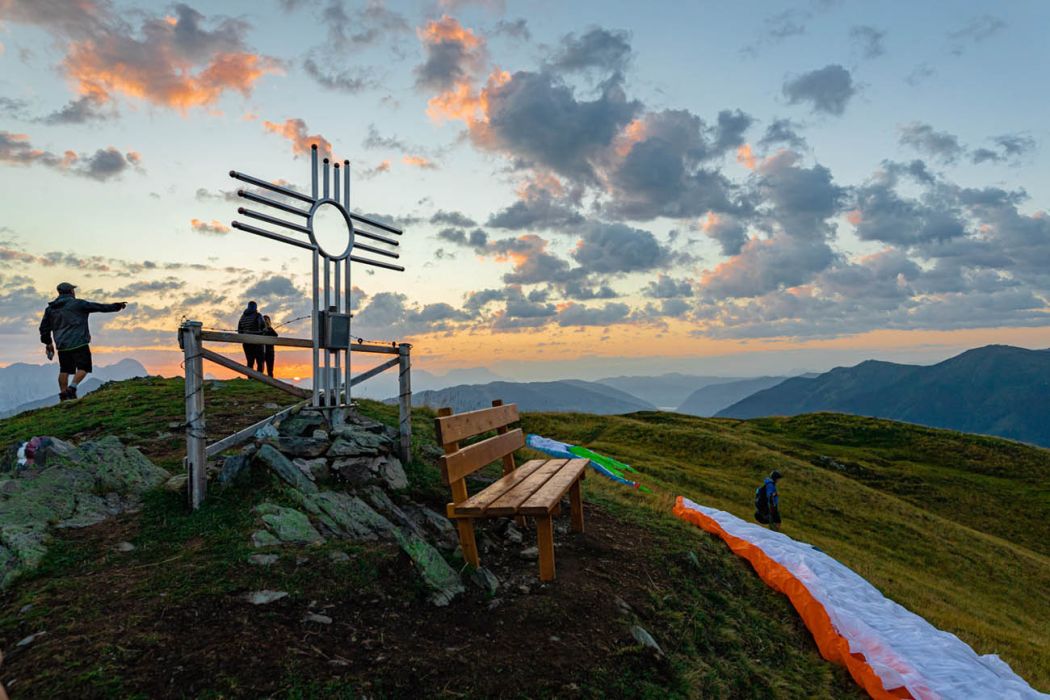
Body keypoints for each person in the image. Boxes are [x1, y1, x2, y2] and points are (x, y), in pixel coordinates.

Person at [38, 282, 127, 401]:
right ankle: (72, 388)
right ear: (71, 292)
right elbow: (99, 307)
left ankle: (64, 396)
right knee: (84, 367)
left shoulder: (50, 309)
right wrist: (117, 306)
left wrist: (48, 343)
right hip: (79, 342)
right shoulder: (78, 304)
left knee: (65, 370)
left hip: (62, 345)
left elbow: (44, 328)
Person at [237, 301, 266, 372]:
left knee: (250, 362)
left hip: (246, 343)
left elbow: (239, 331)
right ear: (256, 307)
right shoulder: (258, 315)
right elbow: (263, 327)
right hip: (257, 341)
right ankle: (260, 378)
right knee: (260, 361)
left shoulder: (242, 317)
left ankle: (250, 378)